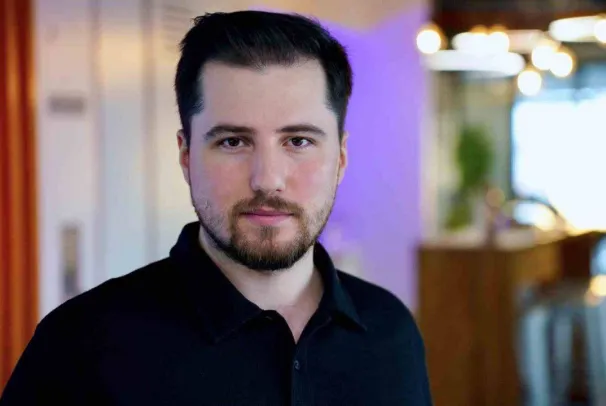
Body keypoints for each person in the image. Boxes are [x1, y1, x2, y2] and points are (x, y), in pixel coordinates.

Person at [0, 10, 432, 405]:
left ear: (341, 158)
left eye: (298, 141)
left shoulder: (391, 333)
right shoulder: (80, 347)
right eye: (233, 141)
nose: (267, 178)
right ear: (186, 155)